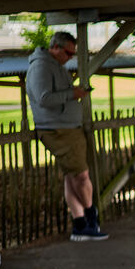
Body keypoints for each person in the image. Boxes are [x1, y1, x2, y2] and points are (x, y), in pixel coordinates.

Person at [25, 31, 108, 242]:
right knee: (81, 176)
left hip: (65, 127)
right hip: (58, 130)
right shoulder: (41, 67)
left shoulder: (53, 66)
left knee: (72, 177)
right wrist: (73, 94)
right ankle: (90, 217)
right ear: (55, 47)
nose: (70, 57)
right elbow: (44, 98)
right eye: (68, 52)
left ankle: (80, 225)